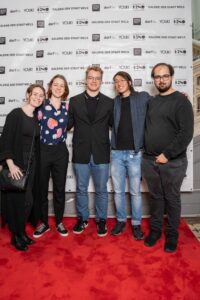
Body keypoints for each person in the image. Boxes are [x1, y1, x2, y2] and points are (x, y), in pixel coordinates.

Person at [142, 63, 194, 252]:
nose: (161, 80)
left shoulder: (181, 101)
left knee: (171, 199)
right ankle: (155, 231)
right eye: (157, 76)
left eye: (165, 76)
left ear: (171, 76)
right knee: (155, 198)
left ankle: (172, 235)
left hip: (172, 162)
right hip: (149, 160)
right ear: (153, 79)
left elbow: (186, 132)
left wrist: (167, 154)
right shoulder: (152, 102)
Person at [68, 65, 113, 237]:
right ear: (86, 79)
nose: (94, 81)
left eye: (97, 78)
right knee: (81, 188)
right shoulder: (74, 101)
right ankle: (82, 219)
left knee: (101, 189)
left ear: (101, 81)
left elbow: (118, 123)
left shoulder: (110, 102)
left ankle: (102, 220)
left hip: (101, 152)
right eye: (91, 77)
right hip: (81, 152)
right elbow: (67, 124)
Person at [0, 84, 45, 251]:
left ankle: (21, 232)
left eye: (41, 96)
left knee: (28, 201)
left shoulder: (35, 117)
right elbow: (5, 140)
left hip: (31, 166)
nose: (38, 98)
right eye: (35, 94)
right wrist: (10, 165)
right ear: (28, 94)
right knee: (18, 201)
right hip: (17, 164)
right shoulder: (15, 115)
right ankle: (15, 236)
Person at [110, 71, 151, 239]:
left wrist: (179, 96)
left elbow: (162, 104)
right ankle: (120, 220)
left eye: (122, 80)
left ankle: (136, 224)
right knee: (118, 191)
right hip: (117, 153)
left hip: (135, 153)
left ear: (129, 81)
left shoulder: (142, 97)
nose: (119, 83)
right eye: (116, 81)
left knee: (135, 192)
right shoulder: (115, 102)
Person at [33, 75, 69, 238]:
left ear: (65, 89)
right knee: (41, 188)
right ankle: (44, 223)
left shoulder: (68, 107)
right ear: (50, 86)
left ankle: (59, 221)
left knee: (59, 188)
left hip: (61, 151)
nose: (58, 87)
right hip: (43, 150)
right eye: (56, 84)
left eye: (62, 85)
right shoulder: (41, 104)